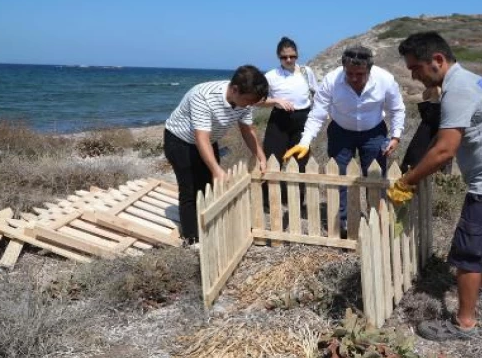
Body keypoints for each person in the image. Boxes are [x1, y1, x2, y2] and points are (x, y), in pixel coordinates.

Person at [388, 32, 482, 341]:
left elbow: (444, 150)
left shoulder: (458, 91)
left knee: (468, 251)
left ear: (437, 60)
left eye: (415, 68)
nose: (413, 75)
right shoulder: (470, 80)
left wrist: (406, 180)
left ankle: (463, 323)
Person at [284, 45, 406, 236]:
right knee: (340, 178)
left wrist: (396, 136)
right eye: (350, 73)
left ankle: (377, 223)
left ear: (369, 69)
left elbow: (397, 109)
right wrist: (304, 142)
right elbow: (317, 114)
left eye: (360, 74)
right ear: (343, 68)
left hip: (374, 132)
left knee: (375, 179)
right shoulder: (331, 80)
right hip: (340, 132)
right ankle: (342, 225)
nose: (354, 78)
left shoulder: (385, 80)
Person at [163, 65, 269, 245]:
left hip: (208, 140)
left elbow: (247, 129)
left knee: (208, 188)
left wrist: (260, 155)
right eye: (248, 101)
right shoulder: (203, 96)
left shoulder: (245, 99)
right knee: (189, 189)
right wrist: (216, 169)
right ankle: (193, 240)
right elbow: (201, 137)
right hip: (180, 141)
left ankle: (207, 228)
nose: (249, 105)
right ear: (235, 90)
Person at [252, 37, 318, 203]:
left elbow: (316, 93)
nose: (288, 60)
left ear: (297, 55)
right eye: (284, 57)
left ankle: (298, 200)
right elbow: (256, 100)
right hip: (279, 120)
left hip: (302, 119)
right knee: (272, 158)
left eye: (292, 56)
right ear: (278, 57)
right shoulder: (271, 76)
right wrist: (276, 101)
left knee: (301, 161)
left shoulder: (306, 71)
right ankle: (268, 200)